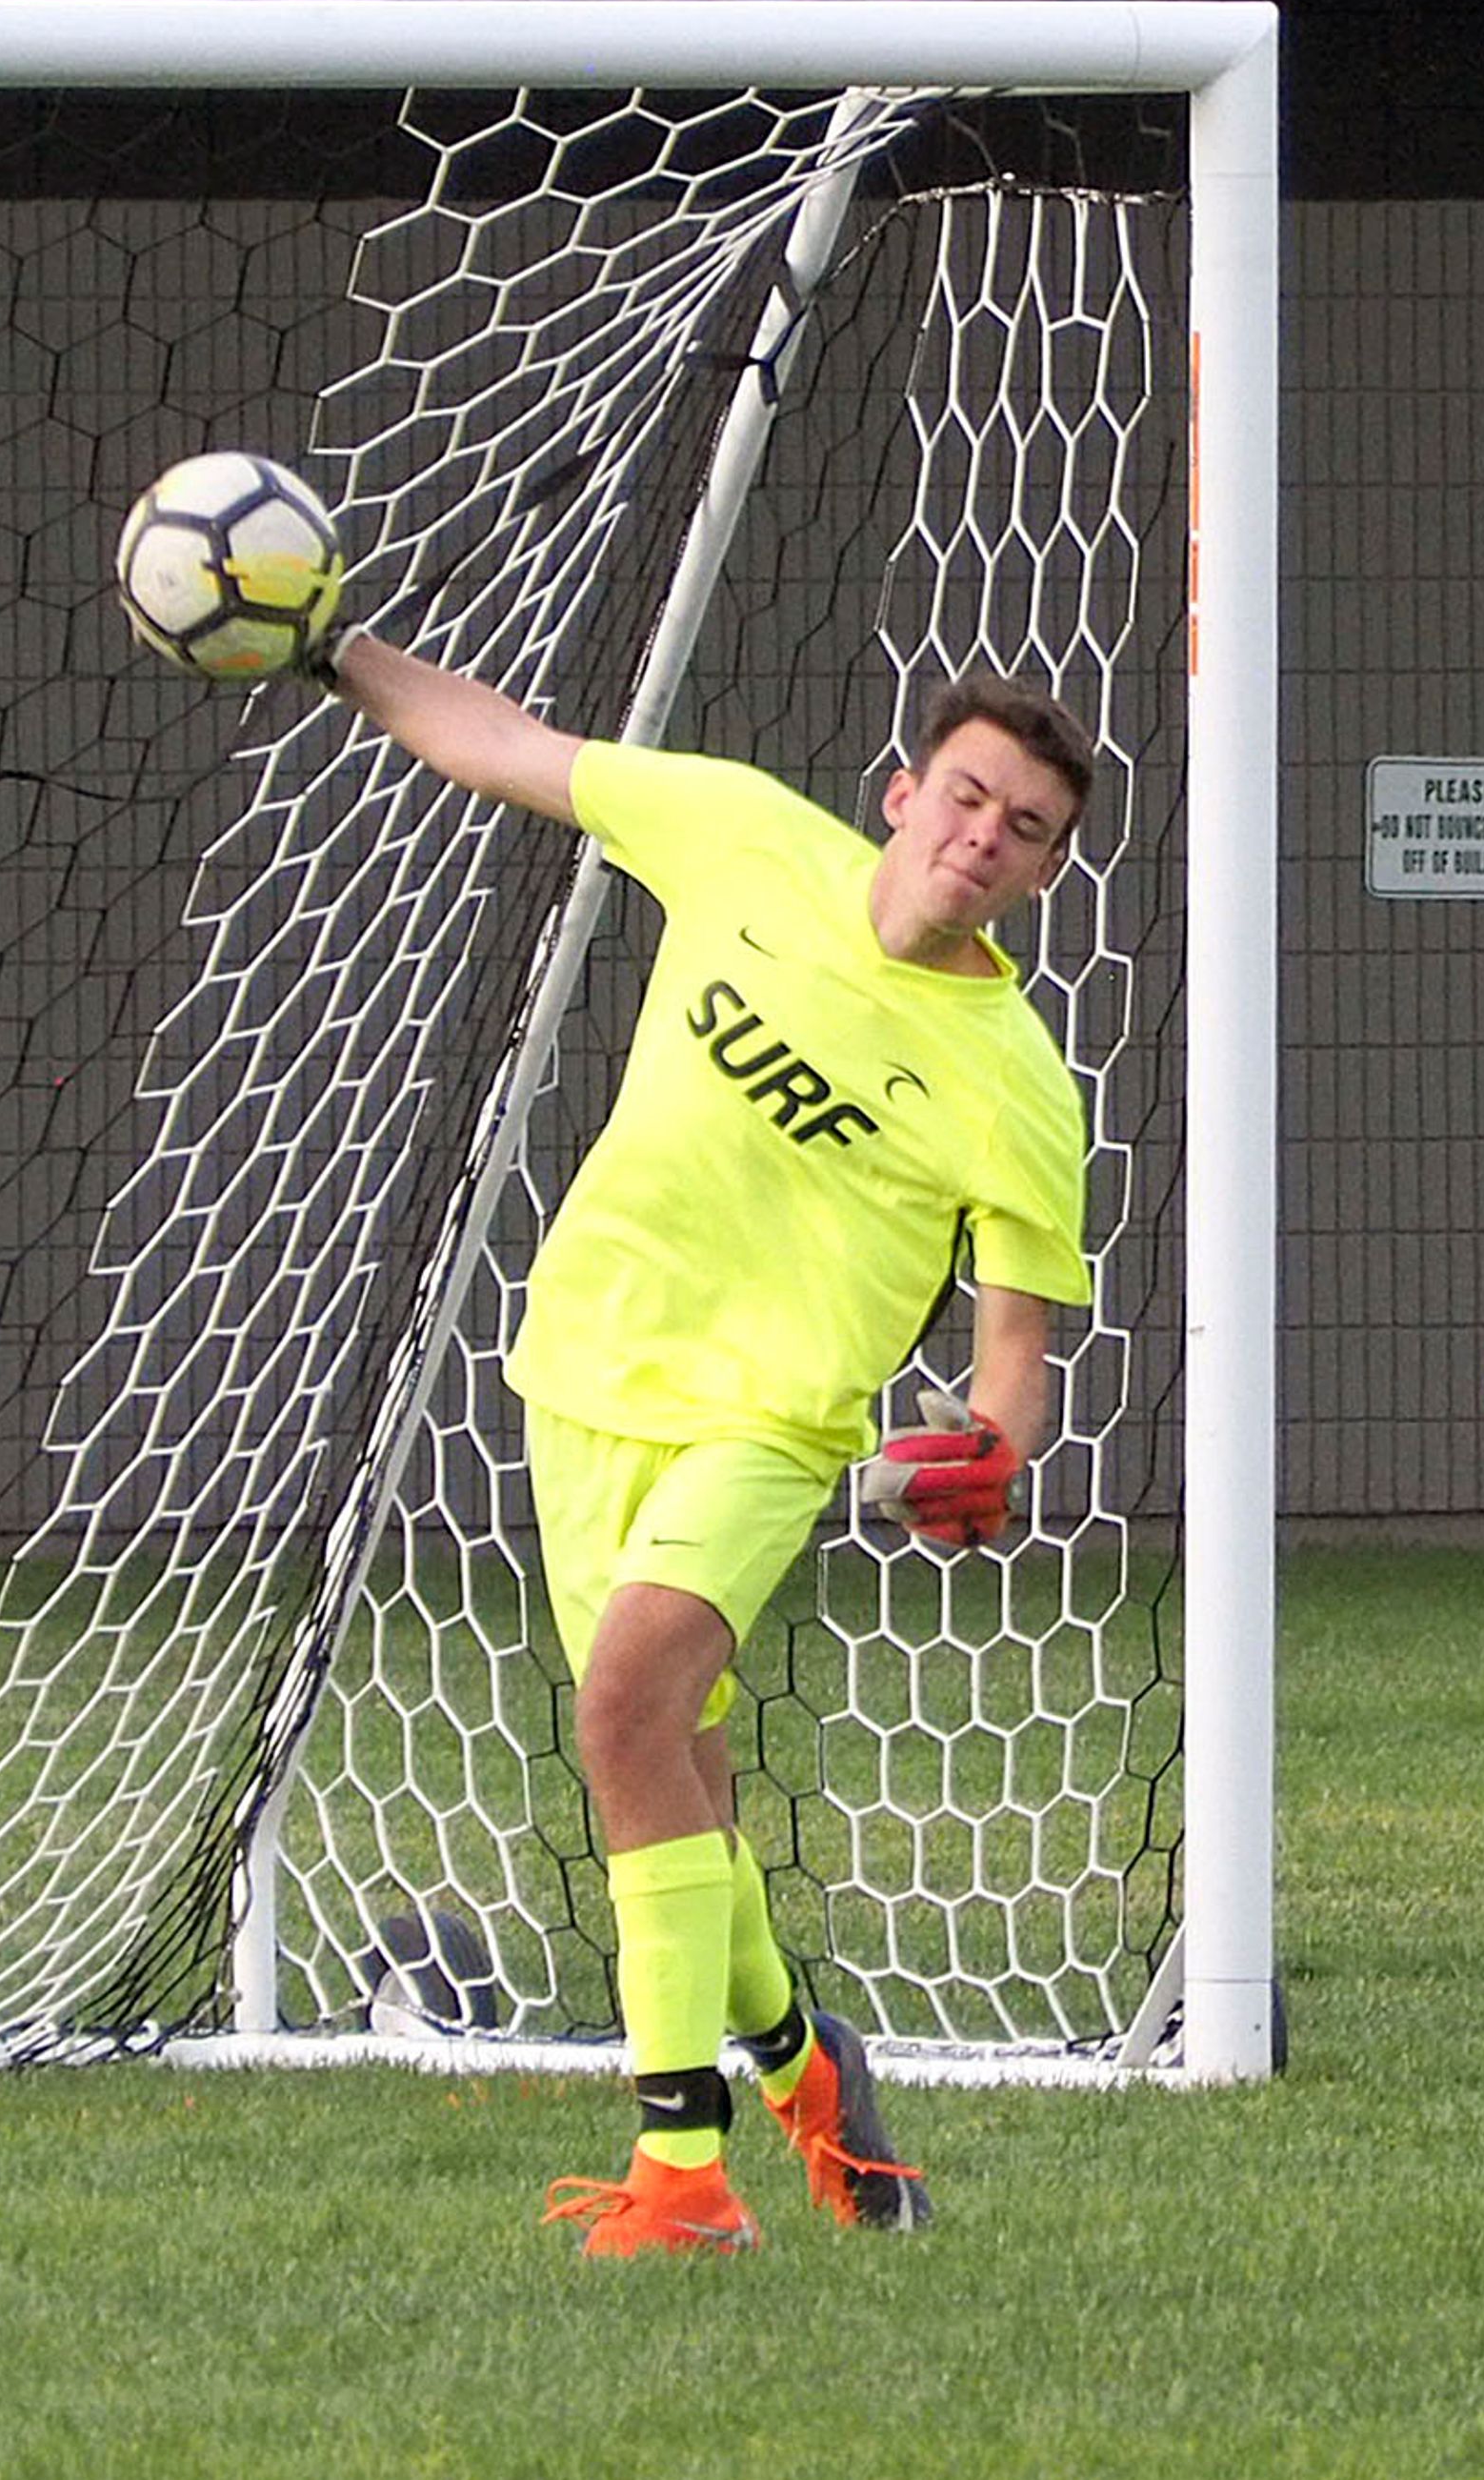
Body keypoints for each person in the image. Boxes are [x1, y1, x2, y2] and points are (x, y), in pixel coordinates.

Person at [318, 629, 1095, 2257]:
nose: (982, 835)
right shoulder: (740, 830)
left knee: (623, 1707)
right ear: (902, 797)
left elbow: (1014, 1354)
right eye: (966, 797)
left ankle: (683, 2172)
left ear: (1040, 874)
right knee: (673, 1781)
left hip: (770, 1427)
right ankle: (818, 2074)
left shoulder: (1020, 1084)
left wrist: (991, 1455)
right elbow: (500, 740)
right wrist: (324, 642)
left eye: (1024, 828)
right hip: (583, 1370)